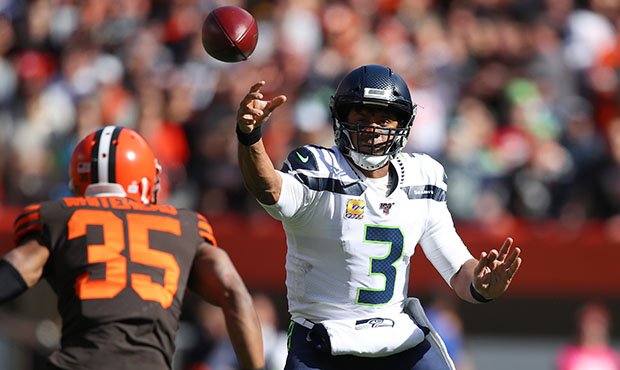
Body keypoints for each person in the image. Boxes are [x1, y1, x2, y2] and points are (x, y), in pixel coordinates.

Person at [235, 64, 522, 370]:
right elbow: (268, 188)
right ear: (342, 119)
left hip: (398, 339)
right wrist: (250, 137)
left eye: (384, 119)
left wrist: (482, 285)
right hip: (324, 340)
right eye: (362, 118)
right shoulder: (317, 168)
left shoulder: (423, 176)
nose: (372, 129)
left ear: (403, 125)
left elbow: (456, 267)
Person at [0, 126, 265, 370]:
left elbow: (16, 270)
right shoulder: (184, 225)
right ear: (145, 180)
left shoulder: (63, 218)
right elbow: (233, 292)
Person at [556, 302, 620, 370]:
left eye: (599, 323)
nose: (595, 328)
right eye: (590, 323)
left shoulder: (615, 358)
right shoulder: (569, 356)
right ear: (581, 327)